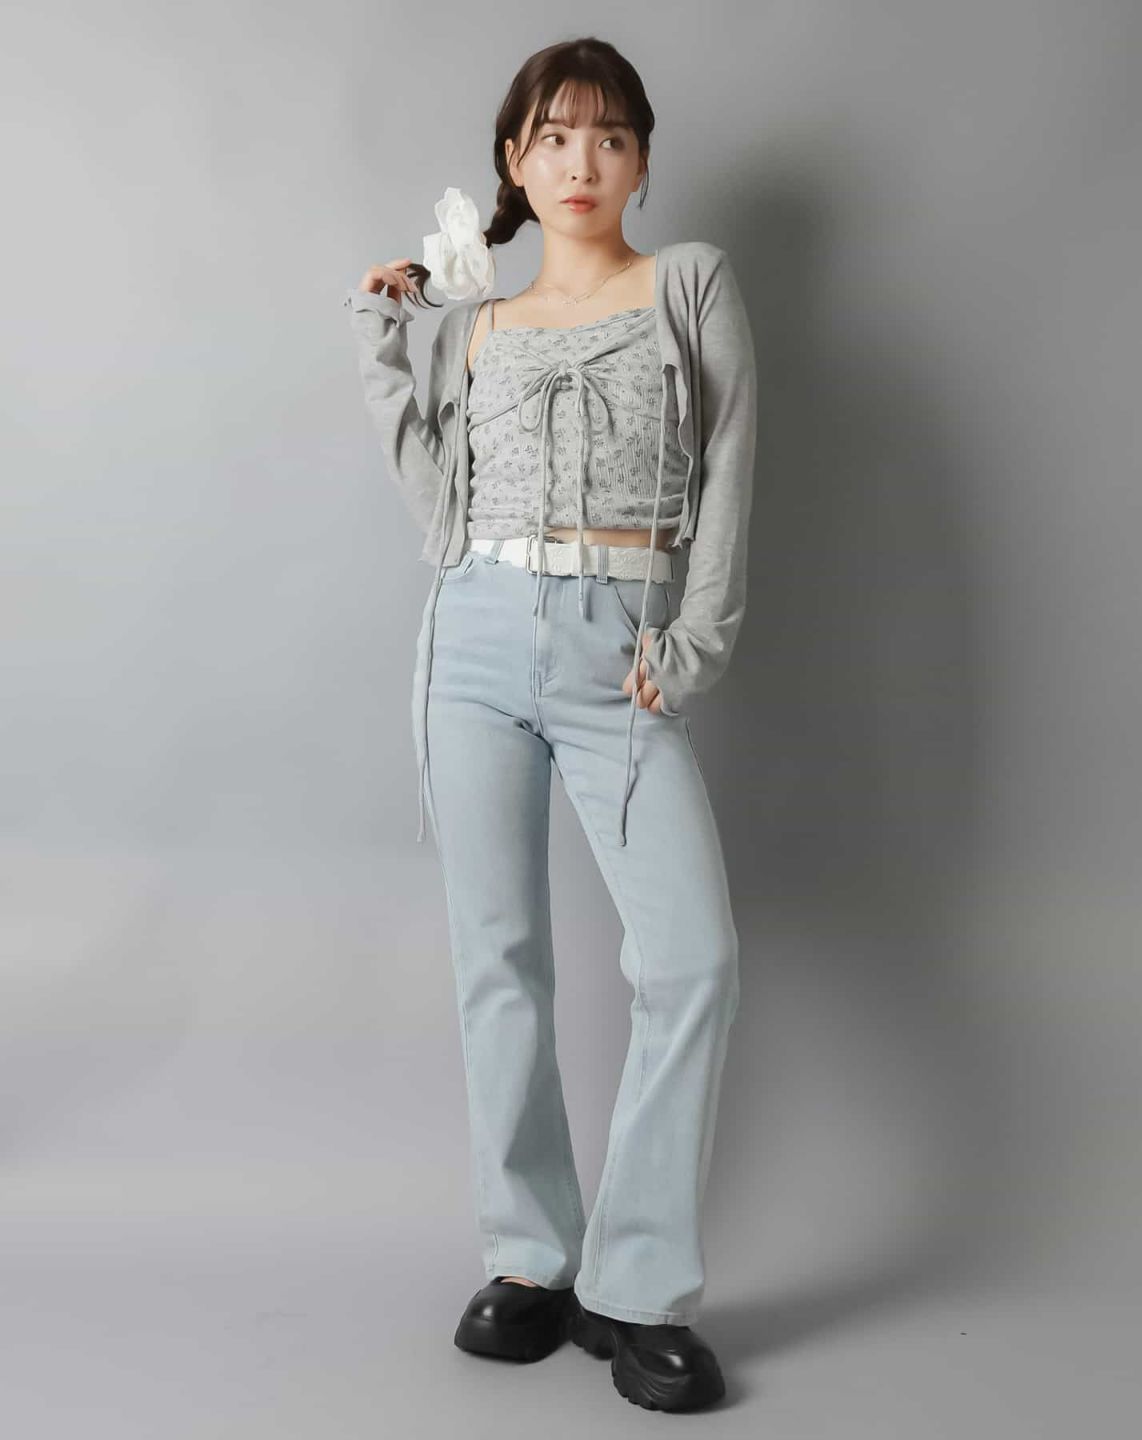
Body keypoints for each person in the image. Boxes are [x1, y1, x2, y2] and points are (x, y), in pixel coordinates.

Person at [343, 36, 757, 1413]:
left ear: (641, 161)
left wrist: (693, 647)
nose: (583, 162)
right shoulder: (479, 325)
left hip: (616, 653)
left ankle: (637, 1285)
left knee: (689, 960)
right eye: (554, 137)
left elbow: (730, 468)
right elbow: (439, 507)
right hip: (471, 643)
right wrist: (386, 343)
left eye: (610, 136)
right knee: (499, 960)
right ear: (514, 164)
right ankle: (530, 1259)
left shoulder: (686, 283)